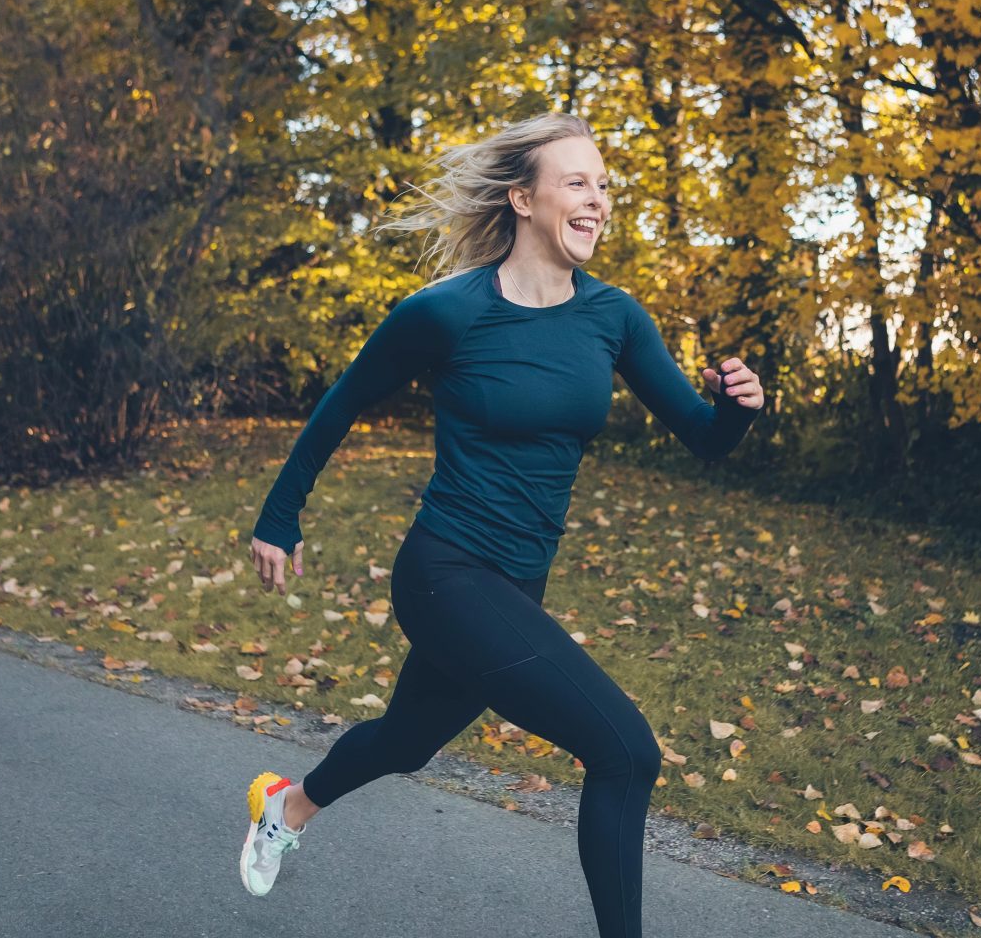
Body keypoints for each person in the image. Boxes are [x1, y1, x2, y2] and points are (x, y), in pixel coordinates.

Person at [239, 112, 763, 938]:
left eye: (604, 185)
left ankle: (287, 803)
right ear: (523, 198)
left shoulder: (615, 319)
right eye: (578, 182)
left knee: (409, 742)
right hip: (445, 573)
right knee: (627, 753)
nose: (598, 200)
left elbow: (702, 437)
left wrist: (735, 411)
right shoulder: (447, 313)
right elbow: (342, 402)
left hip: (518, 583)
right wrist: (280, 515)